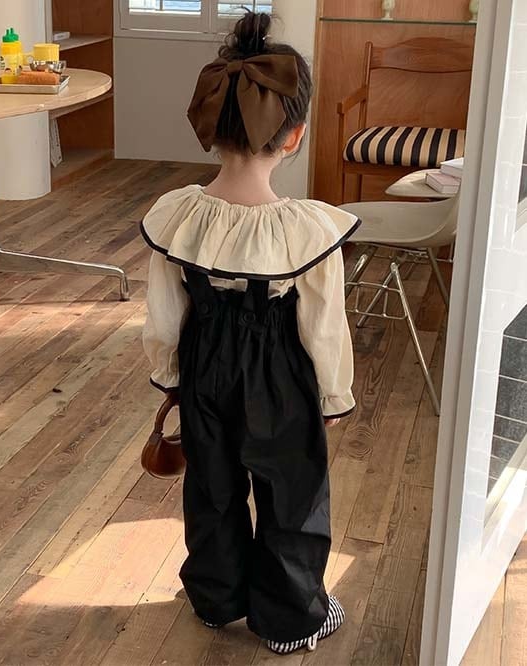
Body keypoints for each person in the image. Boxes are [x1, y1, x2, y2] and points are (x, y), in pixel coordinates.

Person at [141, 10, 360, 656]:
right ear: (294, 136)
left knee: (211, 487)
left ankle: (215, 598)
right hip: (280, 377)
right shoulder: (306, 231)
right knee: (291, 494)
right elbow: (323, 325)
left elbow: (164, 310)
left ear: (213, 128)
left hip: (204, 366)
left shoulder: (177, 216)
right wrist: (332, 396)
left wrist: (172, 377)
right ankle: (291, 619)